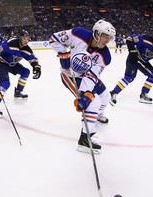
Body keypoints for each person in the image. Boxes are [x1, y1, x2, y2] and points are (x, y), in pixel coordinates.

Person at [49, 19, 116, 154]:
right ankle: (85, 140)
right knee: (94, 102)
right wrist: (63, 53)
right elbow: (54, 38)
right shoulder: (78, 33)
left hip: (86, 76)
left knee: (105, 96)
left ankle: (95, 116)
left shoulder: (105, 56)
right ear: (96, 33)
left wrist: (86, 93)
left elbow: (92, 75)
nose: (107, 40)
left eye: (109, 37)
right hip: (70, 75)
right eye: (105, 36)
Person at [0, 30, 42, 118]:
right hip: (1, 63)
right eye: (24, 39)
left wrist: (36, 67)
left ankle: (18, 92)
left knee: (25, 72)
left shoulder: (26, 48)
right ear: (20, 38)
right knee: (5, 83)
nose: (26, 41)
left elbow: (32, 58)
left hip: (11, 64)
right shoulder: (10, 43)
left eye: (27, 39)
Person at [110, 29, 153, 105]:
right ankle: (113, 93)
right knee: (130, 77)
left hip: (144, 62)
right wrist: (132, 51)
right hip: (133, 58)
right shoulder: (144, 38)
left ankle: (143, 95)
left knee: (152, 76)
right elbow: (130, 39)